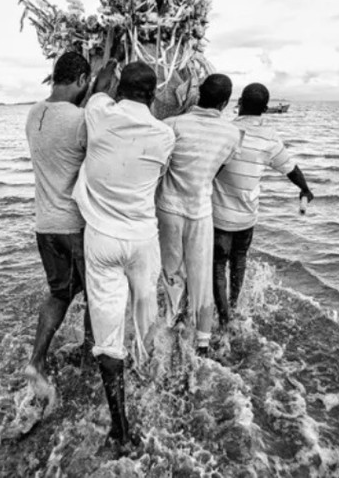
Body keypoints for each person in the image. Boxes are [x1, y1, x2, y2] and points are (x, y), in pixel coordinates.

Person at [73, 61, 175, 451]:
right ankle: (152, 378)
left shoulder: (99, 112)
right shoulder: (165, 135)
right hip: (143, 240)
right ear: (153, 94)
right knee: (146, 312)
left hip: (102, 240)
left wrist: (108, 72)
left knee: (108, 335)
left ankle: (120, 427)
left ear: (120, 90)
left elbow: (98, 87)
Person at [211, 82, 314, 327]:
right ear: (265, 109)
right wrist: (305, 189)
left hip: (219, 215)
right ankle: (234, 307)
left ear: (239, 103)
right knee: (239, 260)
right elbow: (290, 168)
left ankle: (223, 318)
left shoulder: (225, 131)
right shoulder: (270, 138)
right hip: (247, 216)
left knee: (218, 264)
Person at [22, 51, 94, 398]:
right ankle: (90, 357)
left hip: (45, 225)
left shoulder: (33, 113)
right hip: (74, 226)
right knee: (95, 293)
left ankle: (36, 361)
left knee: (59, 293)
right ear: (81, 80)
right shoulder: (81, 120)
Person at [157, 74, 242, 356]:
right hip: (201, 211)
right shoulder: (232, 134)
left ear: (197, 94)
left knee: (172, 272)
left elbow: (161, 166)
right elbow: (217, 169)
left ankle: (171, 328)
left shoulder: (172, 125)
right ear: (225, 103)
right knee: (202, 275)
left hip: (168, 209)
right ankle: (203, 343)